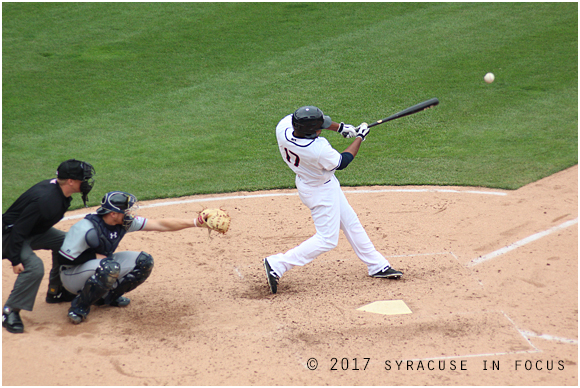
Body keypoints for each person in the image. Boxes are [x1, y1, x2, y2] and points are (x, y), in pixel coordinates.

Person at [264, 106, 403, 294]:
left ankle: (377, 265)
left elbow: (318, 122)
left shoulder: (283, 128)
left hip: (310, 183)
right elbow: (343, 161)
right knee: (327, 239)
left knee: (350, 222)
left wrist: (341, 128)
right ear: (312, 130)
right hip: (321, 193)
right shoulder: (318, 150)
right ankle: (278, 264)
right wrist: (359, 137)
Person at [55, 191, 212, 324]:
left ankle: (108, 297)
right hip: (72, 275)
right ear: (113, 214)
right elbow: (62, 259)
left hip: (99, 266)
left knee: (144, 262)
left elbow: (160, 224)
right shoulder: (85, 228)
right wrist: (94, 256)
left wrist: (196, 222)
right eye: (126, 211)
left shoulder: (123, 223)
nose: (129, 213)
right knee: (109, 267)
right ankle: (79, 307)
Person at [2, 159, 95, 333]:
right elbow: (19, 230)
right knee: (35, 267)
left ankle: (56, 290)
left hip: (30, 232)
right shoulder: (45, 200)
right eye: (84, 179)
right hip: (9, 236)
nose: (86, 182)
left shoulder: (58, 192)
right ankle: (10, 311)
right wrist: (15, 259)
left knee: (68, 243)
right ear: (70, 181)